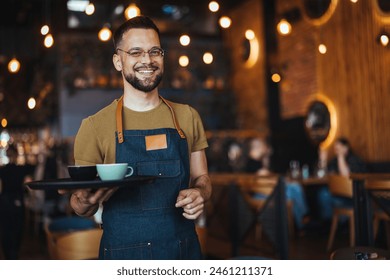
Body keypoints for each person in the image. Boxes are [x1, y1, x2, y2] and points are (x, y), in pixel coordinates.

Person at [61, 16, 211, 260]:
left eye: (155, 51)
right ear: (118, 61)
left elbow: (202, 178)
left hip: (182, 253)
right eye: (135, 52)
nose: (147, 60)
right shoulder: (94, 126)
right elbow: (80, 205)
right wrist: (85, 200)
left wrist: (200, 193)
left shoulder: (187, 117)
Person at [245, 137, 309, 232]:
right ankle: (303, 220)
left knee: (293, 189)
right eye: (263, 144)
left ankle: (300, 223)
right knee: (294, 188)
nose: (265, 146)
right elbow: (267, 177)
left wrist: (266, 157)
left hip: (264, 192)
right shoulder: (253, 164)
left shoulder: (253, 162)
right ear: (257, 147)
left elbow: (269, 176)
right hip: (262, 194)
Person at [0, 147, 35, 259]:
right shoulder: (21, 168)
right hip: (17, 200)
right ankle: (14, 254)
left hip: (4, 201)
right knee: (17, 229)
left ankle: (8, 256)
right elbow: (34, 166)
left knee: (6, 229)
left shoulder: (3, 169)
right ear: (16, 155)